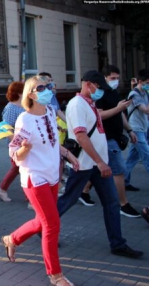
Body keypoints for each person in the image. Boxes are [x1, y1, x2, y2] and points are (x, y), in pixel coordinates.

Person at [2, 76, 79, 286]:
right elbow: (14, 152)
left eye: (49, 86)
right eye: (41, 88)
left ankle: (12, 239)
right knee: (52, 224)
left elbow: (53, 144)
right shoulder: (24, 120)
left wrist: (70, 156)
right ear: (31, 94)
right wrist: (24, 148)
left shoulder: (50, 112)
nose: (47, 90)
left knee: (41, 221)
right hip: (34, 177)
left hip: (52, 174)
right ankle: (55, 275)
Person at [58, 70, 143, 259]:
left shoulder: (89, 103)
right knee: (68, 200)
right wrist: (99, 161)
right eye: (99, 87)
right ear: (88, 84)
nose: (101, 91)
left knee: (111, 203)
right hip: (85, 164)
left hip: (97, 164)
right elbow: (80, 136)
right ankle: (43, 227)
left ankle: (118, 244)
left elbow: (98, 122)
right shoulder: (77, 104)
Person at [95, 65, 140, 218]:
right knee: (119, 170)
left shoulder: (113, 92)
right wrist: (118, 108)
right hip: (107, 138)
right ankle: (123, 204)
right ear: (105, 78)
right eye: (112, 78)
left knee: (95, 170)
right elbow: (99, 116)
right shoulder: (100, 94)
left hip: (114, 137)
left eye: (117, 78)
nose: (115, 81)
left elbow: (120, 113)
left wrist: (129, 129)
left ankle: (83, 192)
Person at [0, 82, 25, 202]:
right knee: (19, 168)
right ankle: (29, 199)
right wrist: (17, 142)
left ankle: (2, 190)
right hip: (17, 144)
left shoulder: (22, 106)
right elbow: (5, 128)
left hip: (23, 143)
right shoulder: (11, 108)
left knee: (19, 168)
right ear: (19, 93)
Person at [124, 68, 149, 191]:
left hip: (143, 129)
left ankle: (124, 181)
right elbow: (146, 110)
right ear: (141, 81)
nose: (148, 85)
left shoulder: (145, 93)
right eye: (148, 83)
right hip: (136, 129)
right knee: (147, 156)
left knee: (132, 158)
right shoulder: (134, 94)